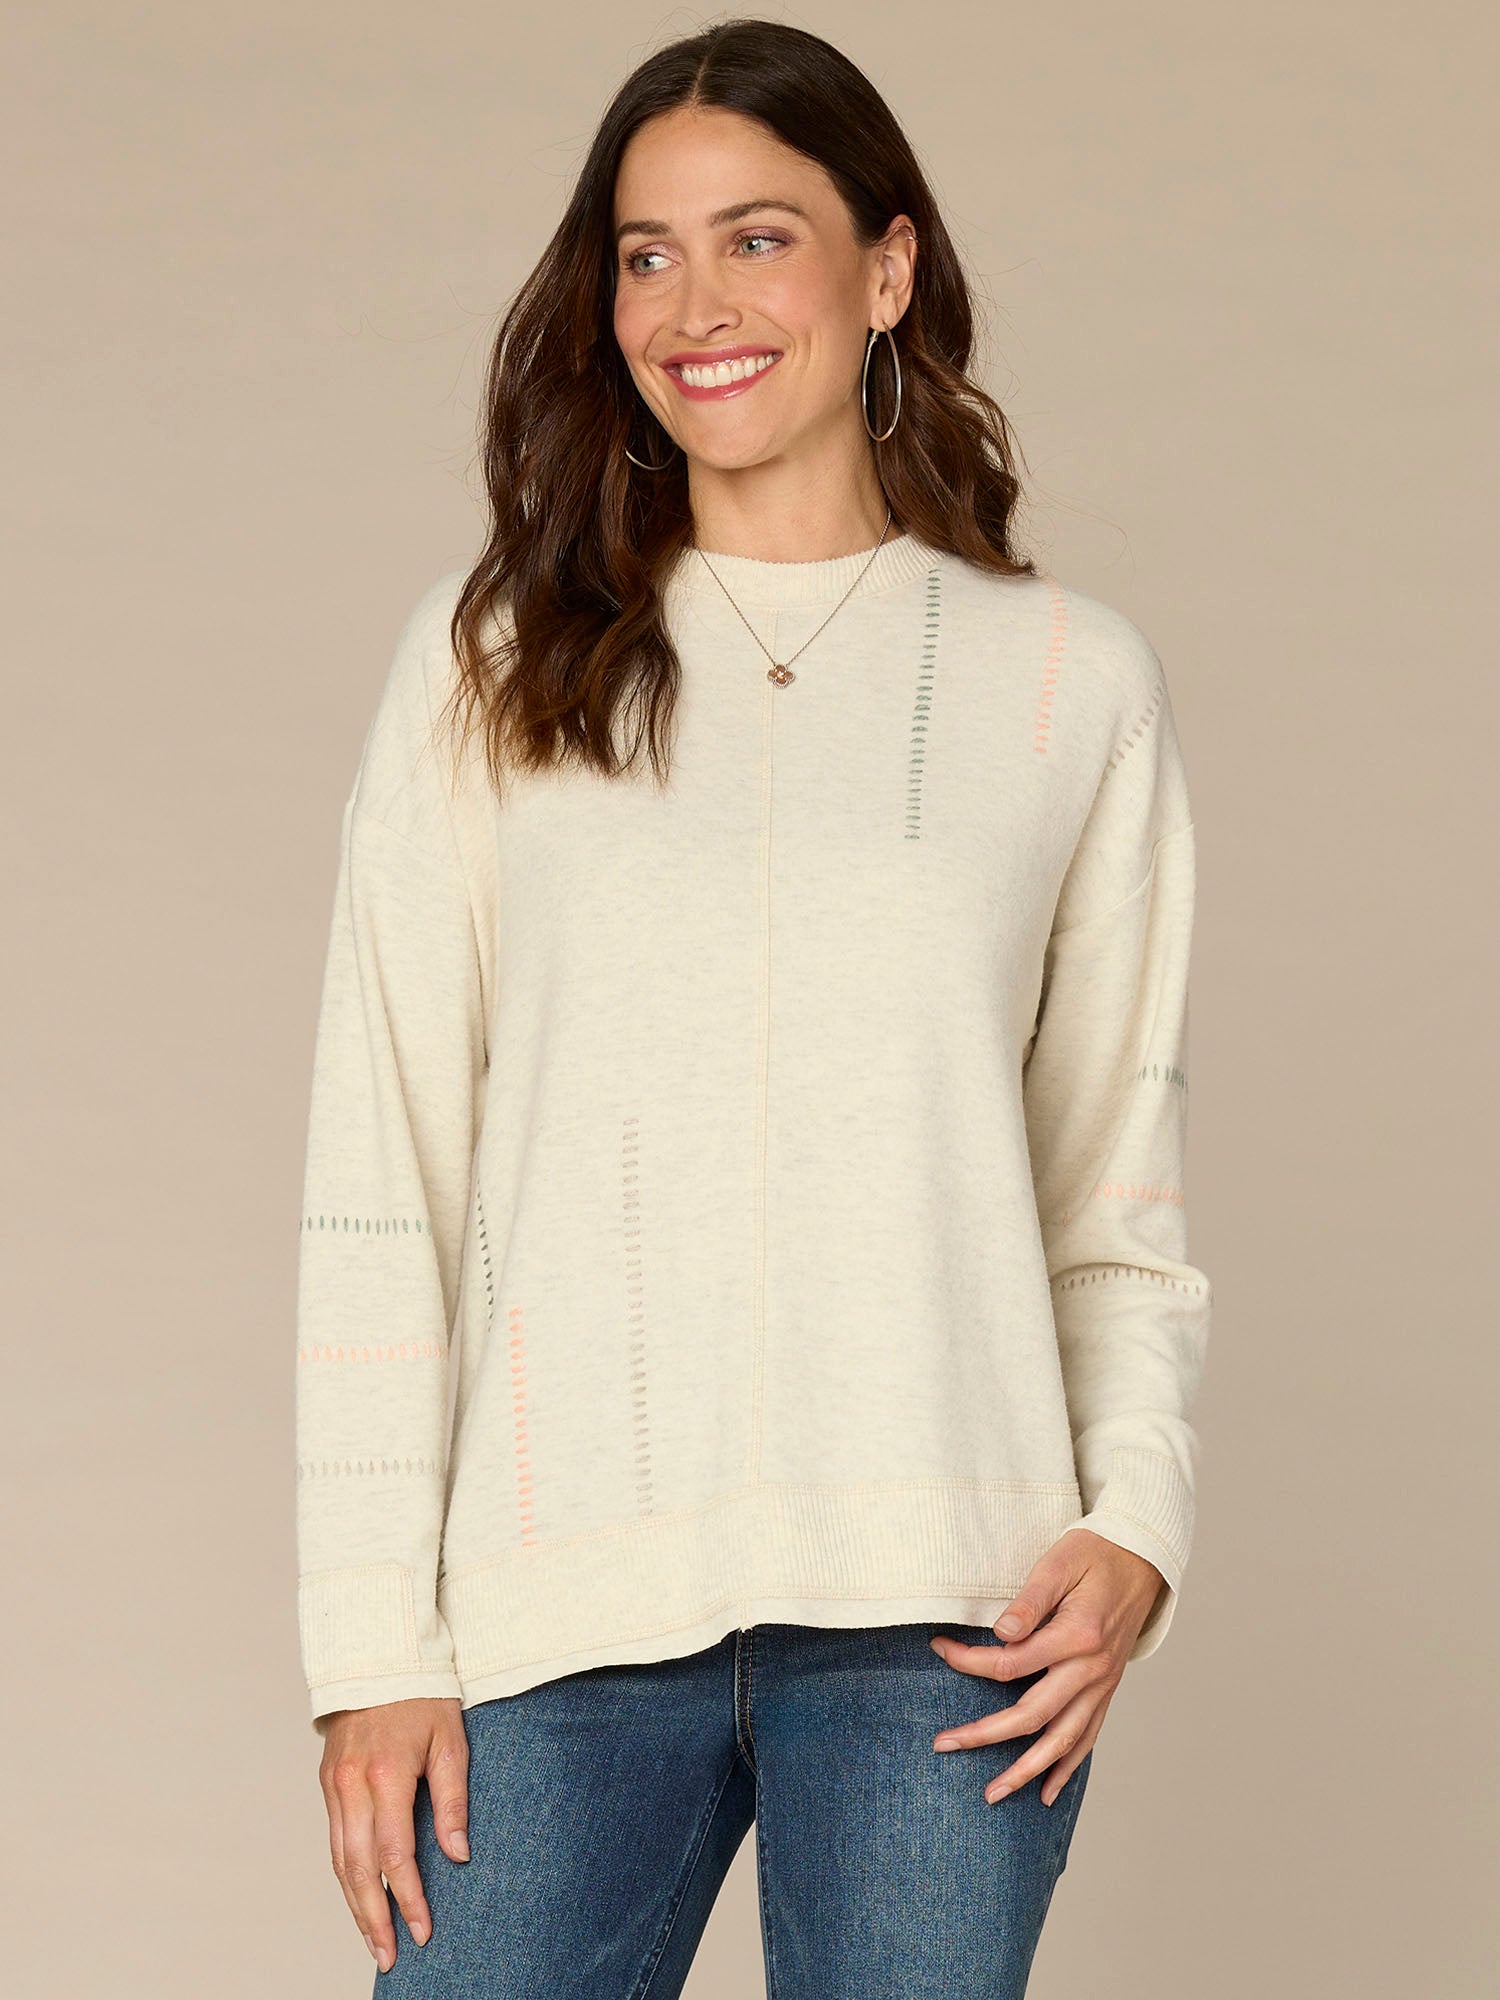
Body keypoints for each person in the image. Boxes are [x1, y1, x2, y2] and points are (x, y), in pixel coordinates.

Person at [293, 18, 1212, 1996]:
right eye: (647, 253)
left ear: (887, 270)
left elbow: (1110, 1198)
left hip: (951, 1622)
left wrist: (1139, 1519)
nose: (693, 305)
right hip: (558, 1602)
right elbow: (382, 1184)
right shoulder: (487, 666)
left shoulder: (1071, 686)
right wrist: (369, 1644)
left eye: (756, 238)